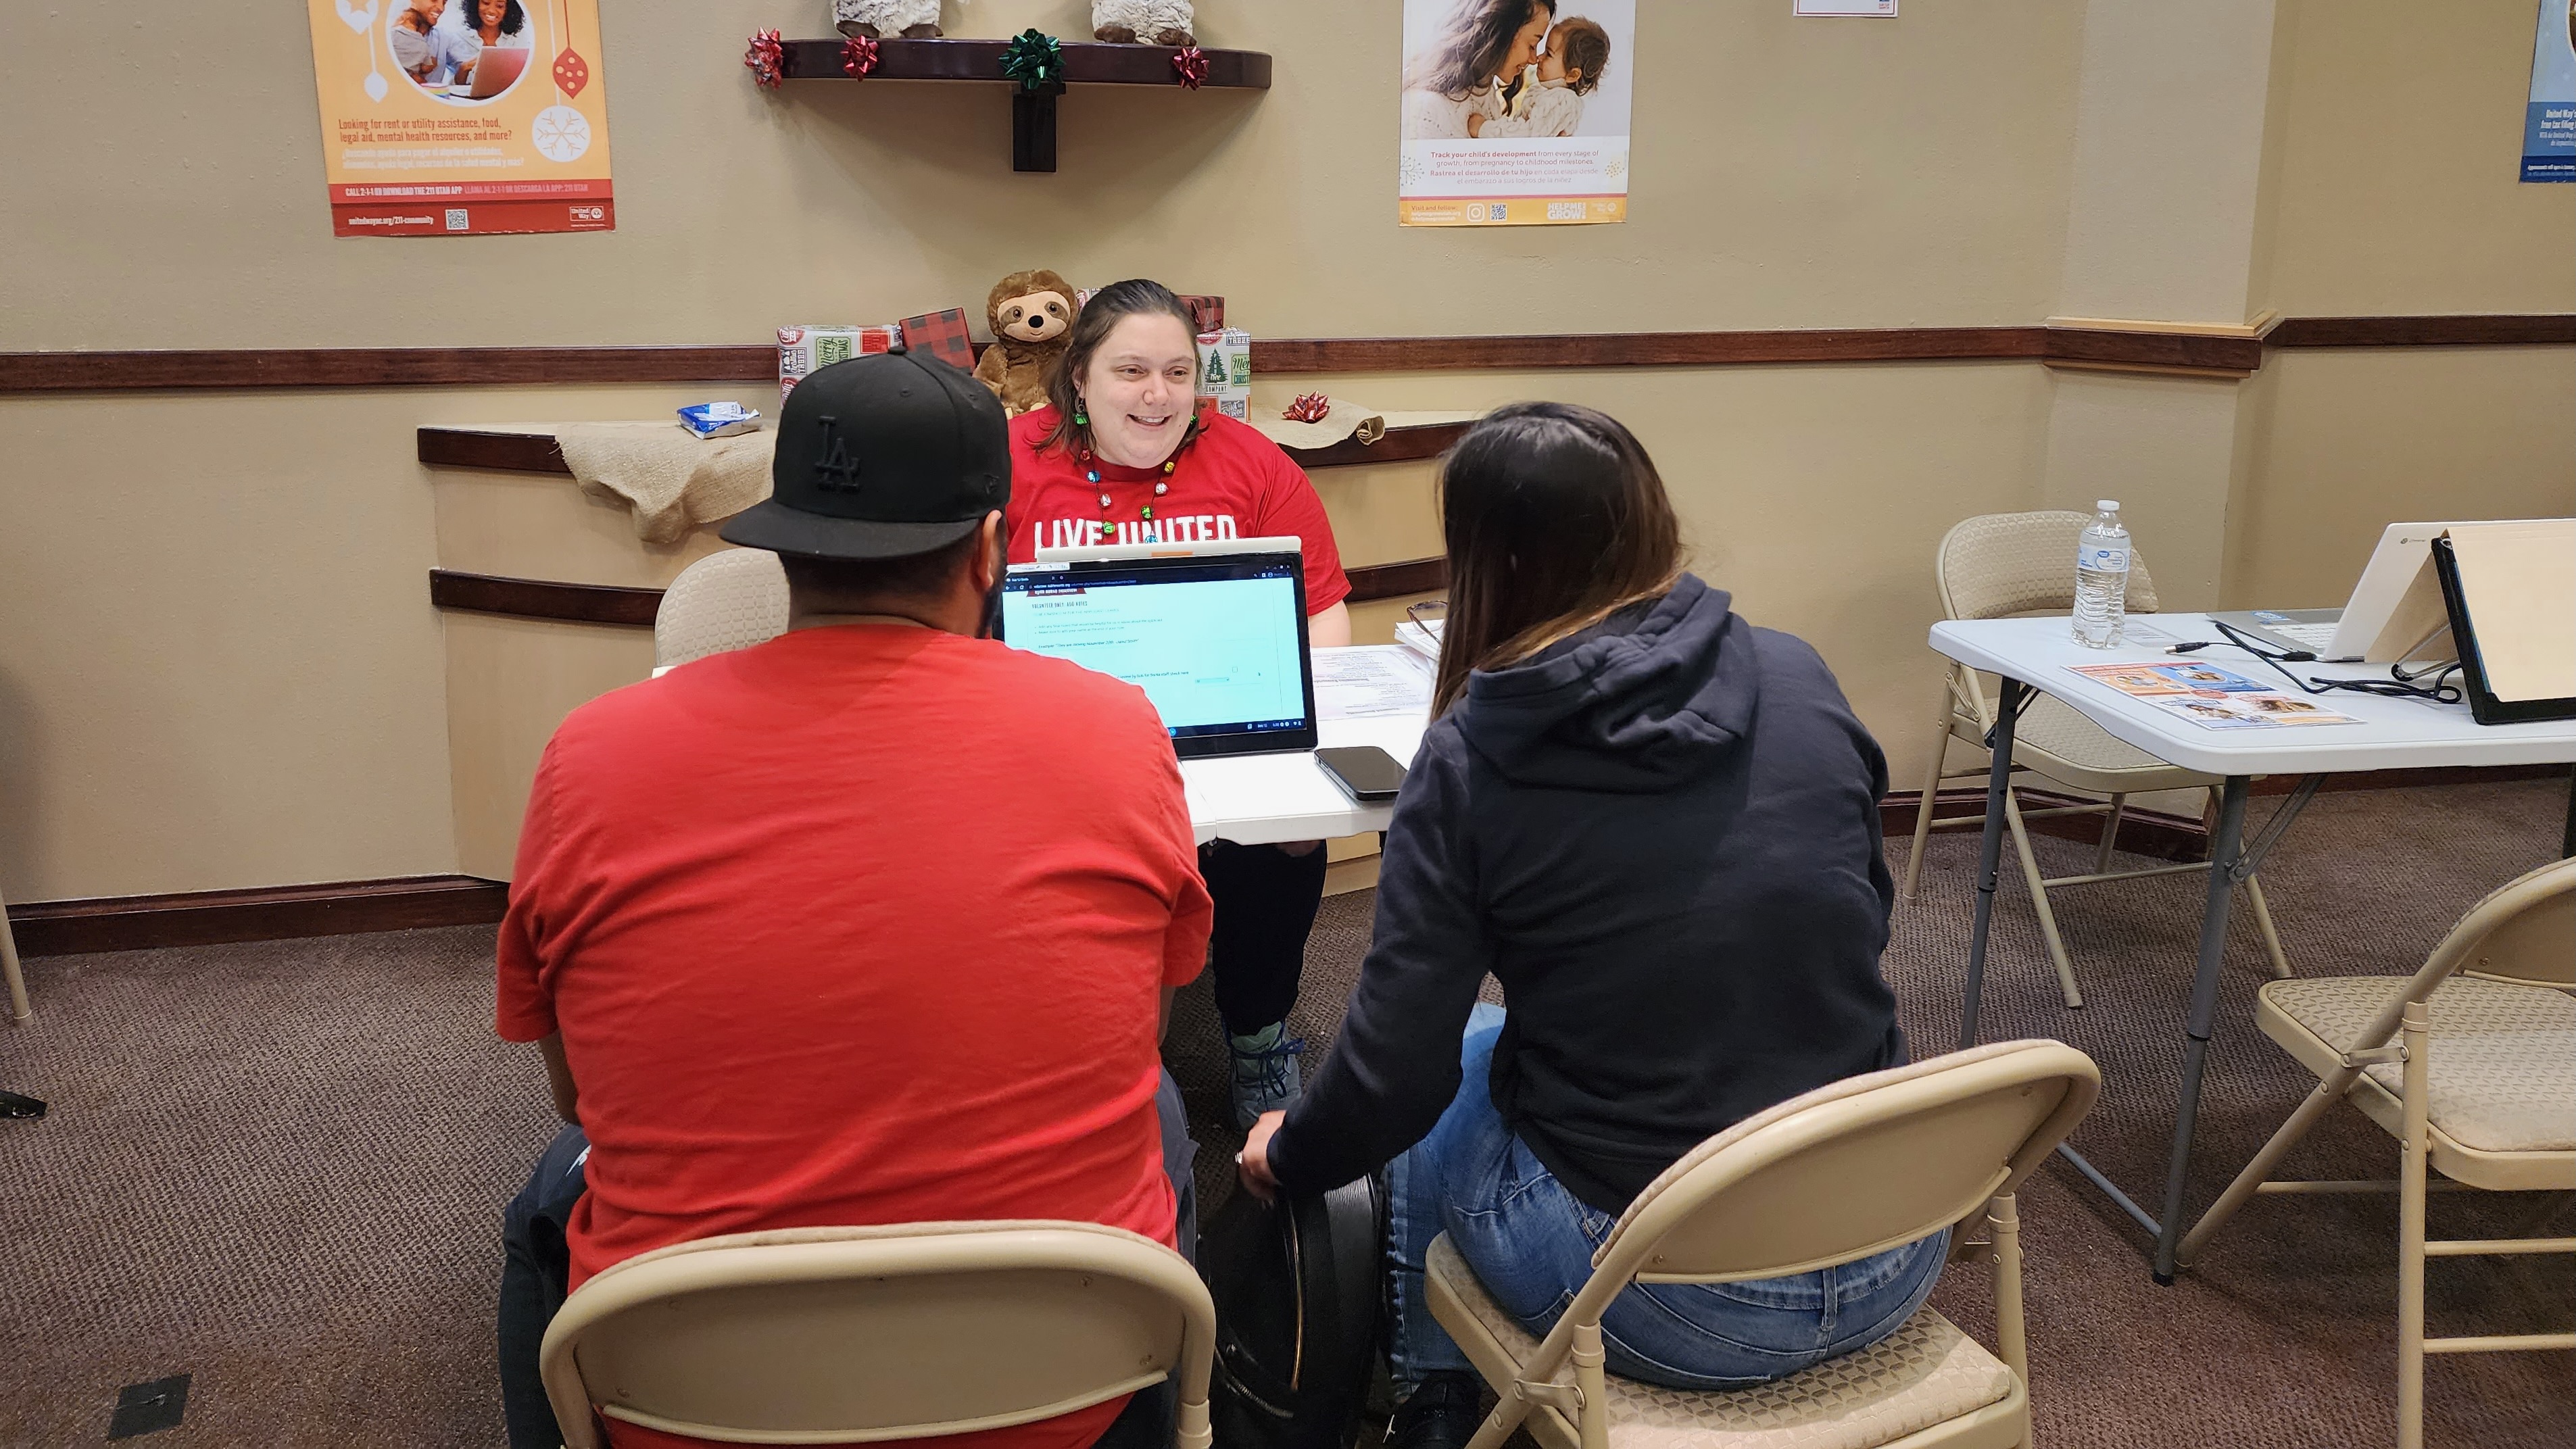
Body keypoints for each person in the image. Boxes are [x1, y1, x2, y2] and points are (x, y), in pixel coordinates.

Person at [493, 348, 1213, 1449]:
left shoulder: (588, 752)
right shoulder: (1116, 726)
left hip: (691, 1401)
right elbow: (1138, 1030)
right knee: (1161, 1105)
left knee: (546, 1192)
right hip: (1065, 1390)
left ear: (778, 544)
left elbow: (580, 1096)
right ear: (988, 548)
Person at [1238, 403, 1942, 1449]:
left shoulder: (1473, 757)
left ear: (1488, 559)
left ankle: (1436, 1391)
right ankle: (1442, 1385)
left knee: (1465, 1050)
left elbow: (1392, 1075)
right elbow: (1854, 917)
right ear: (1652, 521)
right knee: (1488, 1045)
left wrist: (1287, 1156)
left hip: (1673, 1303)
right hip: (1895, 1236)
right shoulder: (1793, 668)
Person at [1004, 279, 1353, 1129]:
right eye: (1129, 370)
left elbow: (1321, 614)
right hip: (1055, 741)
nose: (1156, 394)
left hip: (1220, 728)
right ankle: (1098, 1047)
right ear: (1077, 377)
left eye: (1175, 371)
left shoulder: (1250, 459)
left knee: (1288, 834)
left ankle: (1258, 1031)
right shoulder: (1008, 456)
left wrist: (1291, 752)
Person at [1400, 0, 1554, 139]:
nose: (1534, 60)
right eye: (1532, 45)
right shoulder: (1425, 112)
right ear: (1501, 34)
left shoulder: (1485, 95)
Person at [1467, 15, 1608, 139]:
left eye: (1549, 53)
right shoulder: (1546, 94)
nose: (1539, 58)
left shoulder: (1563, 100)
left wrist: (1483, 128)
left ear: (1573, 74)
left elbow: (1527, 137)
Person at [448, 0, 533, 91]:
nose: (492, 10)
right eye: (486, 3)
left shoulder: (518, 39)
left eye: (500, 6)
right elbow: (453, 89)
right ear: (475, 4)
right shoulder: (460, 38)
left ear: (508, 9)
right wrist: (464, 68)